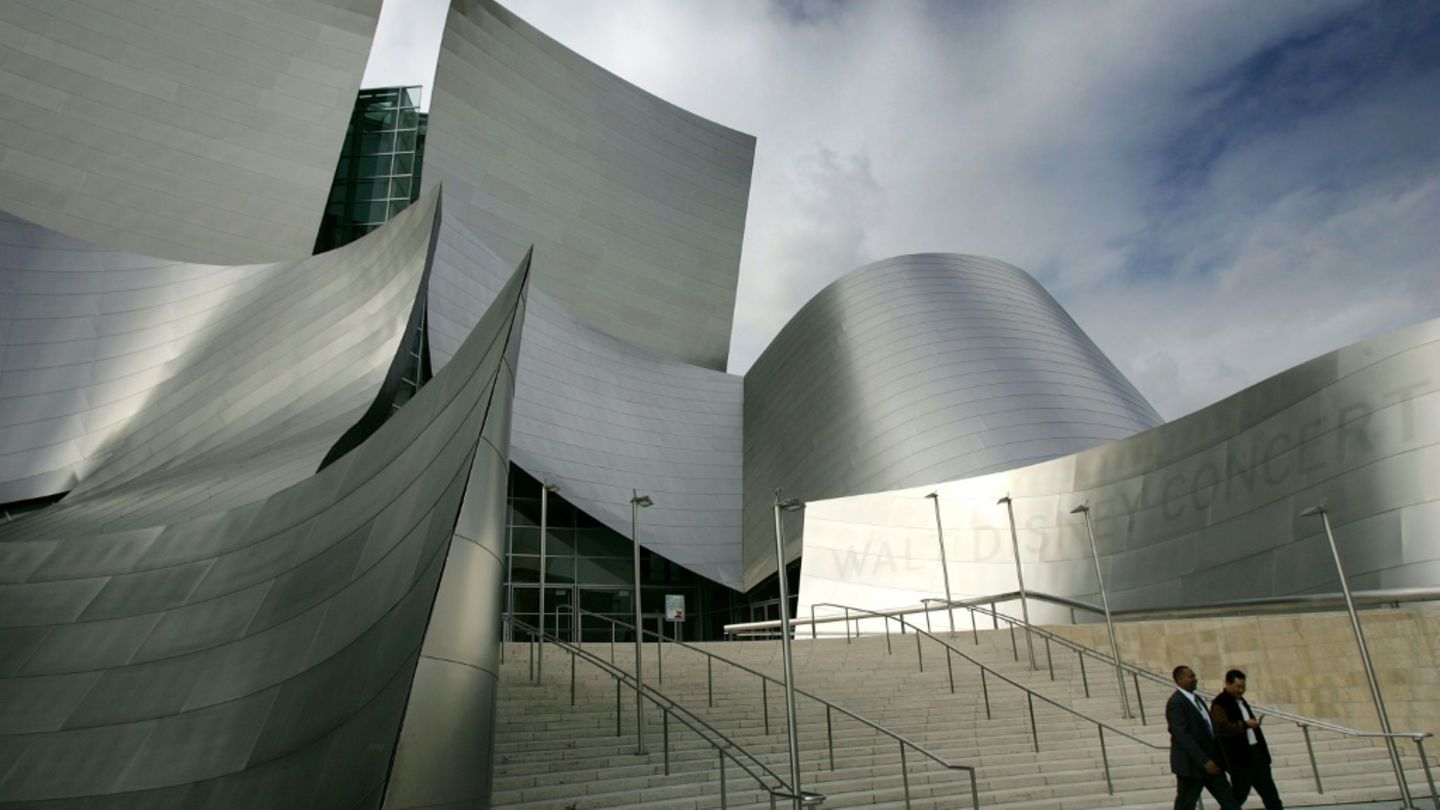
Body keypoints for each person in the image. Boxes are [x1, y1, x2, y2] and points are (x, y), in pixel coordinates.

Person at [1167, 665, 1241, 810]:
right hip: (1192, 767)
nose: (1195, 679)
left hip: (1213, 762)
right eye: (1191, 677)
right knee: (1185, 805)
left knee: (1230, 802)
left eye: (1194, 676)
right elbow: (1183, 736)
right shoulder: (1176, 703)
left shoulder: (1197, 699)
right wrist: (1204, 761)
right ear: (1180, 679)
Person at [1211, 669, 1284, 809]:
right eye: (1237, 686)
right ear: (1227, 684)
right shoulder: (1220, 703)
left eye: (1243, 687)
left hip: (1256, 754)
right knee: (1238, 796)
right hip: (1240, 760)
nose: (1240, 690)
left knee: (1271, 796)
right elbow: (1223, 728)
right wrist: (1245, 725)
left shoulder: (1241, 701)